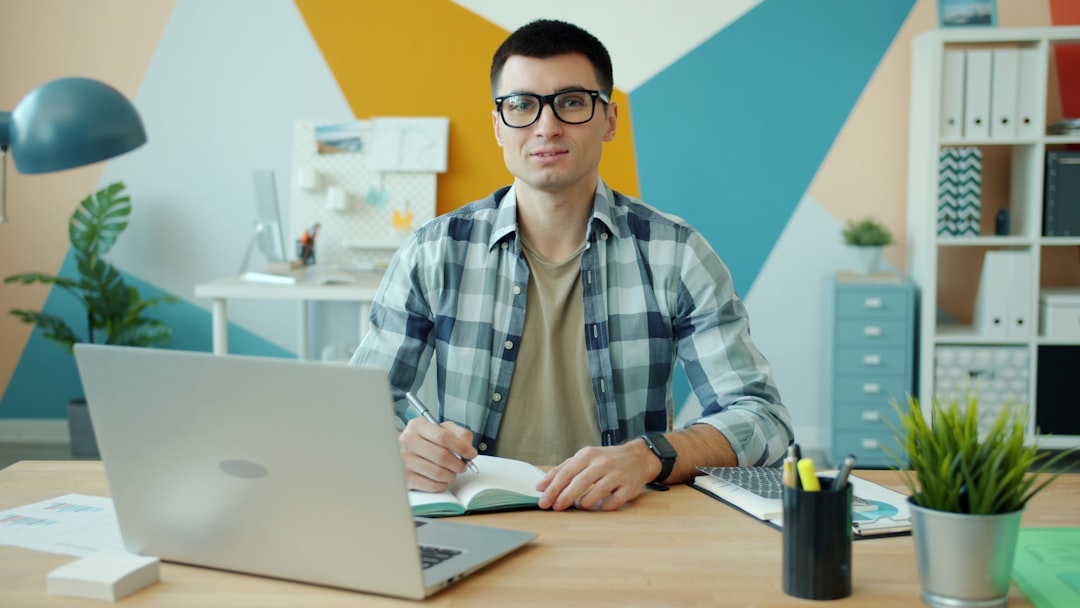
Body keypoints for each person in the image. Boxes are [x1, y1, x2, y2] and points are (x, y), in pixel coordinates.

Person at [351, 19, 793, 512]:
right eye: (521, 105)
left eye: (572, 102)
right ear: (498, 125)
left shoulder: (676, 253)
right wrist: (400, 448)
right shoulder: (433, 251)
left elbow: (762, 418)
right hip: (475, 524)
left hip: (623, 522)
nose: (546, 126)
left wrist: (648, 455)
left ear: (609, 120)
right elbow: (359, 411)